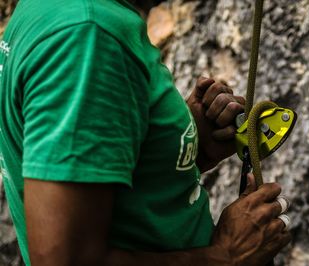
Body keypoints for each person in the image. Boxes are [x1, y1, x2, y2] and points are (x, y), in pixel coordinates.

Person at [0, 0, 291, 265]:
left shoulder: (52, 11)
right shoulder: (88, 35)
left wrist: (182, 147)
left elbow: (88, 173)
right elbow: (64, 259)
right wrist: (225, 256)